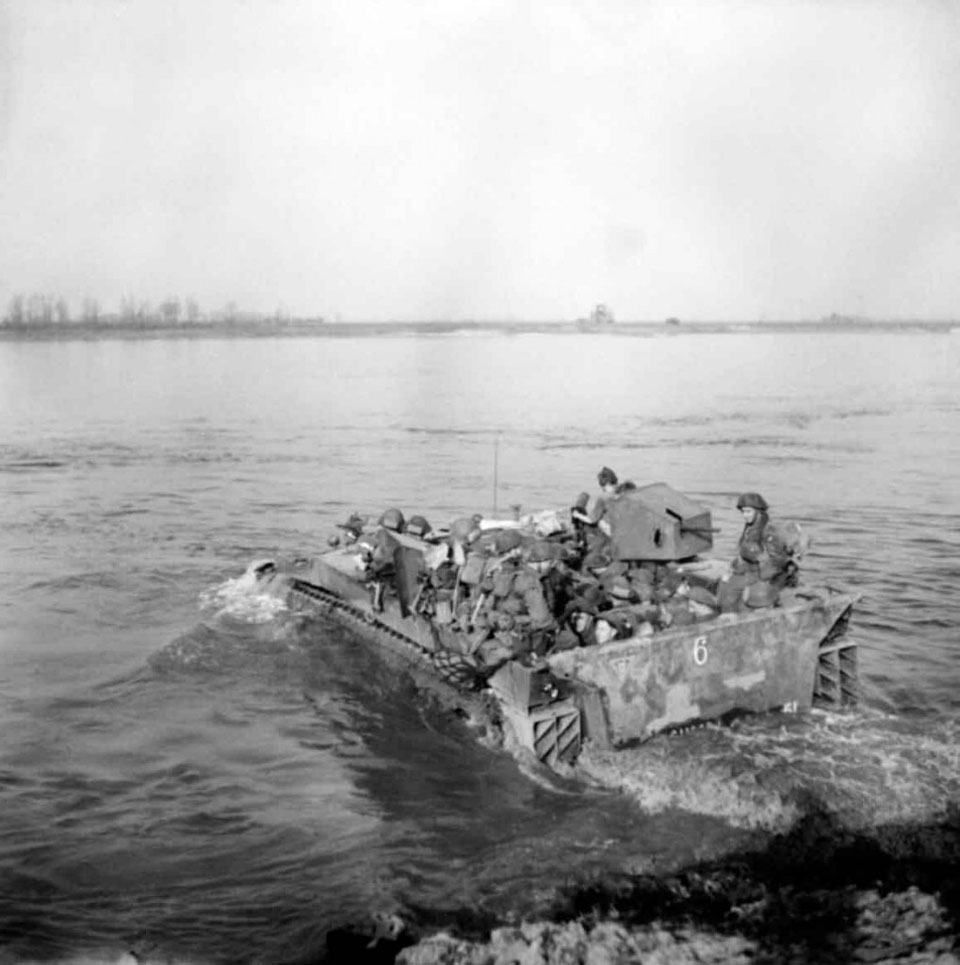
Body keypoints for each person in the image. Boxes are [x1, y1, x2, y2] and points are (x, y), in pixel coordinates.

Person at [572, 466, 620, 538]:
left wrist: (577, 515)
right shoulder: (621, 492)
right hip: (621, 526)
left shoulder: (603, 497)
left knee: (599, 523)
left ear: (602, 481)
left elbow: (592, 520)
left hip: (611, 531)